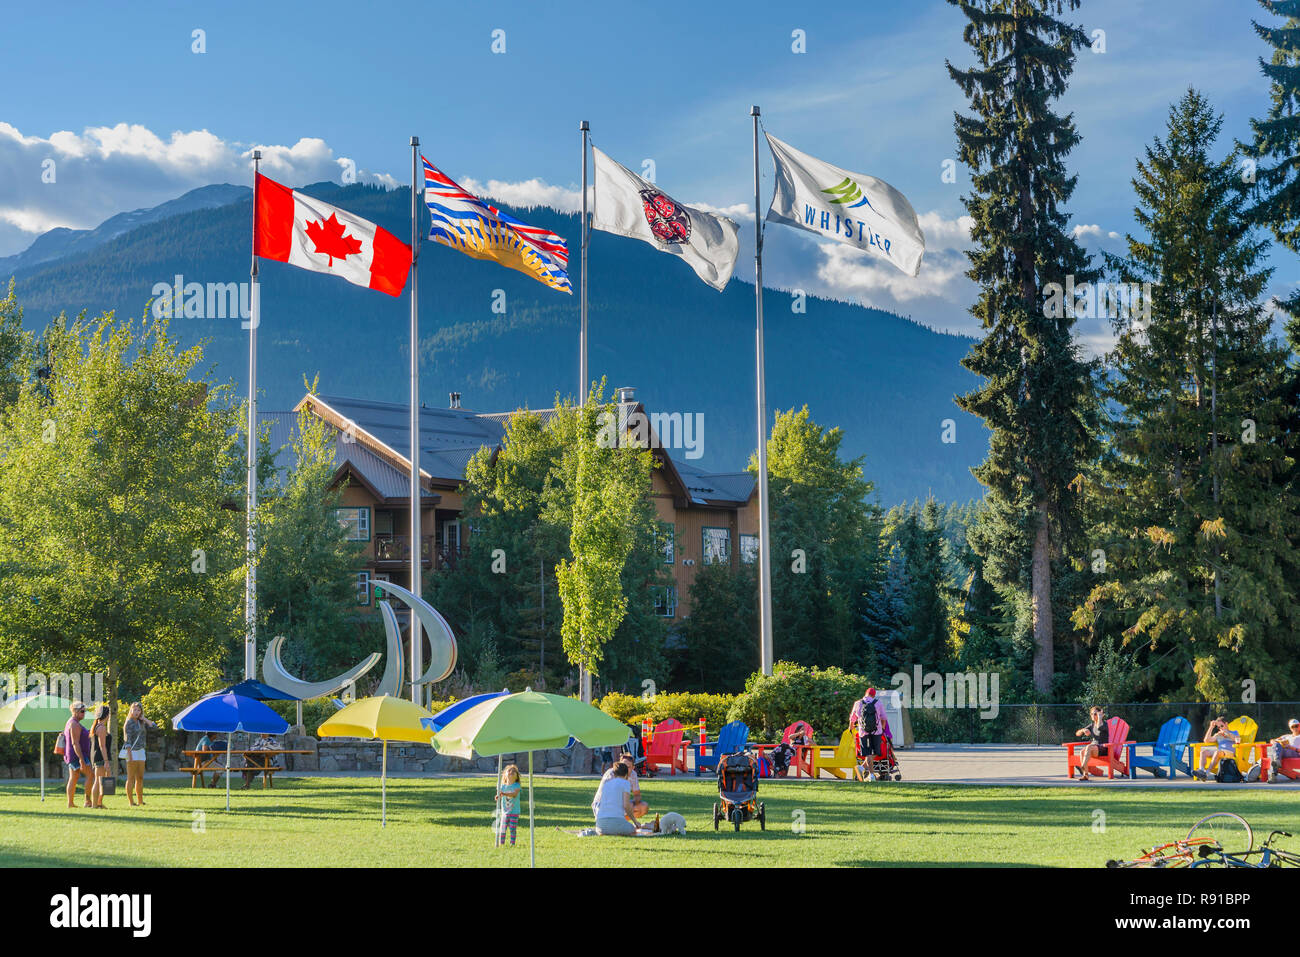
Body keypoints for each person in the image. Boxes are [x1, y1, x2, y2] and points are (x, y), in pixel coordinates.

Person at [121, 702, 157, 807]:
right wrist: (130, 755)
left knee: (140, 777)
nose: (136, 712)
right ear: (131, 710)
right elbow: (127, 740)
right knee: (131, 777)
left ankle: (140, 801)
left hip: (141, 751)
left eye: (138, 710)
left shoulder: (141, 722)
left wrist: (144, 719)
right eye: (134, 709)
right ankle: (131, 802)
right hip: (132, 752)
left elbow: (154, 726)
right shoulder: (129, 722)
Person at [595, 752, 648, 820]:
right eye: (623, 765)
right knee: (628, 806)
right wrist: (627, 805)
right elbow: (607, 798)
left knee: (643, 806)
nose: (624, 769)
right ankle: (617, 822)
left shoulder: (633, 774)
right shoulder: (611, 774)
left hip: (619, 804)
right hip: (602, 805)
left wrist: (635, 802)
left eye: (628, 767)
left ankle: (621, 822)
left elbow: (637, 794)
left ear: (633, 767)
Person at [590, 761, 637, 836]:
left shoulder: (606, 785)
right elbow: (626, 806)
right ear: (626, 774)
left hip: (600, 825)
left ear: (614, 774)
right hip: (616, 821)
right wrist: (635, 821)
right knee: (632, 830)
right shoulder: (626, 783)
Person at [850, 688, 887, 781]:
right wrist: (882, 728)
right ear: (874, 695)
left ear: (865, 693)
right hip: (876, 731)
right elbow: (883, 718)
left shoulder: (858, 703)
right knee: (876, 752)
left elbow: (852, 719)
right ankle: (871, 775)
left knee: (867, 752)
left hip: (863, 732)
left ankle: (862, 767)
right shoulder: (878, 703)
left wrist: (851, 729)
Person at [63, 701, 92, 809]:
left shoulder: (71, 722)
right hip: (78, 755)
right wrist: (81, 759)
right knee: (90, 775)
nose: (84, 714)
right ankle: (87, 801)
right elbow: (75, 743)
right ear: (75, 711)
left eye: (85, 711)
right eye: (82, 711)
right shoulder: (74, 724)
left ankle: (70, 803)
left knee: (74, 777)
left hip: (72, 755)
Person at [1194, 716, 1241, 780]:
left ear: (1226, 724)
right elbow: (1206, 740)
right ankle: (1201, 771)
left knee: (1217, 752)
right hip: (1219, 752)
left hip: (1230, 753)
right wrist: (1211, 727)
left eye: (1222, 726)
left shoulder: (1234, 732)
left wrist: (1227, 733)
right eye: (1218, 727)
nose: (1220, 728)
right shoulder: (1218, 735)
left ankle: (1207, 773)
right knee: (1203, 752)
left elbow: (1237, 740)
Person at [1073, 706, 1109, 781]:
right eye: (1092, 714)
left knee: (1088, 747)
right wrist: (1083, 730)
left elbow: (1099, 727)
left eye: (1095, 714)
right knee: (1082, 751)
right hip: (1094, 748)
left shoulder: (1105, 724)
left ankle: (1082, 765)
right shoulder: (1091, 725)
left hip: (1103, 749)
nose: (1093, 715)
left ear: (1100, 714)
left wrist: (1100, 718)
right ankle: (1085, 775)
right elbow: (1077, 734)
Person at [88, 704, 110, 808]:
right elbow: (102, 746)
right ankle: (95, 804)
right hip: (100, 757)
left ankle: (99, 803)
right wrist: (106, 761)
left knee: (103, 780)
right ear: (106, 715)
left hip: (99, 756)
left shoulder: (97, 726)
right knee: (98, 780)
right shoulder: (101, 728)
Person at [495, 764, 522, 847]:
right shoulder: (502, 786)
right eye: (509, 771)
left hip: (514, 811)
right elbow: (499, 795)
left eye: (514, 771)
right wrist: (497, 796)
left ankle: (512, 843)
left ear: (517, 776)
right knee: (502, 829)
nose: (511, 772)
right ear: (505, 774)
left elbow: (514, 794)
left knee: (512, 829)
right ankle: (501, 843)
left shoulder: (517, 786)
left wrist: (503, 793)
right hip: (505, 811)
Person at [1265, 718, 1300, 783]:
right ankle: (1276, 763)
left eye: (1296, 726)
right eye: (1293, 727)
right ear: (1290, 728)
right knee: (1276, 746)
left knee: (1273, 756)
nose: (1295, 728)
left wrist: (1291, 747)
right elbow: (1272, 740)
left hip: (1295, 753)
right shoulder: (1286, 736)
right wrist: (1277, 742)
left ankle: (1273, 774)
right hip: (1283, 752)